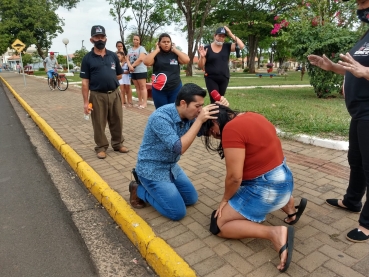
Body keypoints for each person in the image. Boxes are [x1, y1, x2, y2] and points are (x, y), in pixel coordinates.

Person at [198, 105, 307, 272]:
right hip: (285, 179)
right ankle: (290, 208)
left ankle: (274, 234)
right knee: (249, 187)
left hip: (268, 190)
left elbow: (234, 178)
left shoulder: (231, 130)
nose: (214, 135)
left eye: (211, 131)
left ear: (214, 120)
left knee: (217, 224)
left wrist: (225, 200)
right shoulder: (252, 115)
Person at [307, 0, 369, 243]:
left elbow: (364, 71)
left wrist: (365, 73)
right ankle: (352, 200)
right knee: (356, 161)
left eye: (364, 2)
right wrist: (332, 67)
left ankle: (367, 225)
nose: (360, 8)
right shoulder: (365, 36)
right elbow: (356, 68)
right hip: (359, 112)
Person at [129, 83, 229, 220]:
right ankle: (139, 189)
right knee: (177, 212)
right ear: (183, 103)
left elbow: (207, 131)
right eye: (197, 106)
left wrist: (221, 110)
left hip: (171, 167)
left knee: (191, 199)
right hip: (152, 169)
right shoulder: (160, 118)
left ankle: (162, 190)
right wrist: (199, 120)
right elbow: (179, 148)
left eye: (202, 106)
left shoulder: (190, 115)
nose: (200, 110)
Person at [80, 25, 129, 159]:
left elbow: (119, 75)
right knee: (99, 123)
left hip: (114, 94)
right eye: (97, 37)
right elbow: (85, 82)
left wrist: (109, 77)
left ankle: (118, 144)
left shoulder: (113, 56)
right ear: (92, 40)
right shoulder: (87, 58)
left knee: (117, 120)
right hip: (97, 95)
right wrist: (85, 103)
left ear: (106, 38)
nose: (100, 39)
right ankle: (101, 147)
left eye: (102, 37)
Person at [198, 26, 245, 103]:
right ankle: (214, 114)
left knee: (221, 99)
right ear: (215, 35)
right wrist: (202, 57)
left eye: (223, 36)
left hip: (224, 78)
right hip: (211, 78)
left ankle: (220, 114)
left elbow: (241, 46)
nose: (221, 38)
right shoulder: (207, 48)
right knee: (215, 99)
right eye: (219, 36)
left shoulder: (227, 47)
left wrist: (231, 34)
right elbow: (200, 66)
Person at [143, 33, 190, 109]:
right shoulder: (156, 55)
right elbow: (146, 62)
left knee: (175, 111)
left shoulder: (175, 54)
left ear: (171, 43)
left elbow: (186, 60)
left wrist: (175, 49)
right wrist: (156, 50)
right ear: (159, 43)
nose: (166, 44)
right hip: (159, 90)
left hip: (175, 88)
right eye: (164, 42)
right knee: (161, 111)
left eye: (168, 42)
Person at [127, 35, 148, 109]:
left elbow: (141, 58)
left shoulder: (142, 49)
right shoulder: (129, 50)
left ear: (139, 41)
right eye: (134, 39)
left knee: (142, 87)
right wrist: (130, 66)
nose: (135, 41)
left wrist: (132, 66)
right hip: (133, 71)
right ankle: (140, 102)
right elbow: (127, 59)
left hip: (141, 70)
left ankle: (145, 103)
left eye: (137, 40)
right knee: (137, 87)